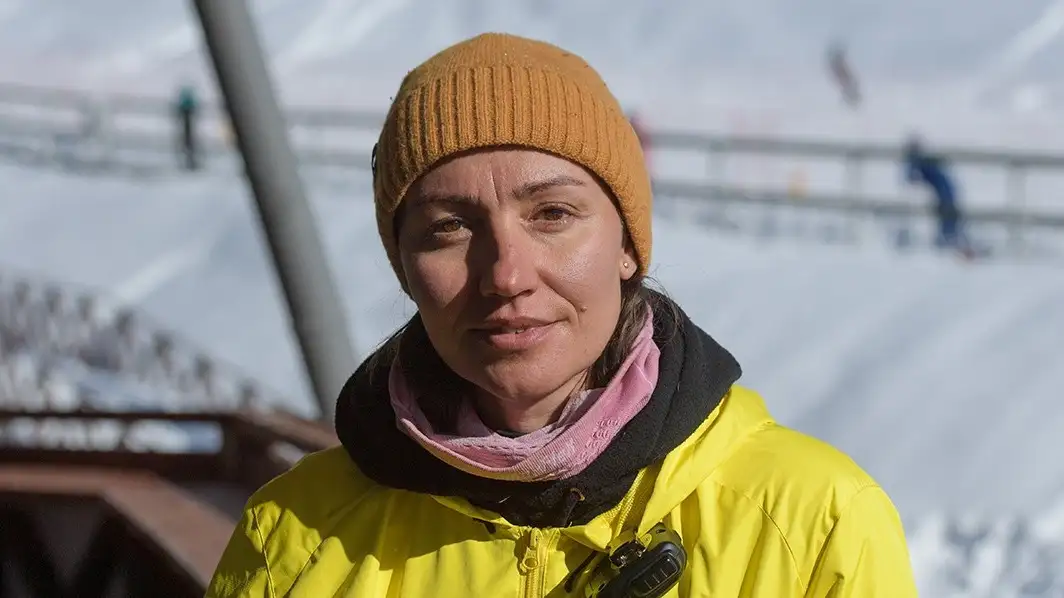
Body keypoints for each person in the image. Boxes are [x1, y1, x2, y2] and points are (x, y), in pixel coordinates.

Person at [207, 33, 917, 597]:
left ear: (627, 246)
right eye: (448, 227)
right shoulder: (294, 537)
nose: (506, 276)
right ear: (405, 266)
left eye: (551, 214)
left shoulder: (813, 525)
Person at [903, 136, 973, 256]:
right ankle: (955, 242)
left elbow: (912, 177)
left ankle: (952, 243)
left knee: (949, 220)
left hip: (944, 194)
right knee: (950, 219)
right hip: (945, 193)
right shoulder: (926, 161)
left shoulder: (921, 162)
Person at [174, 83, 200, 171]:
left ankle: (189, 162)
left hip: (187, 131)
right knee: (188, 143)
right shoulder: (188, 110)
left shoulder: (185, 108)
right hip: (188, 131)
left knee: (187, 143)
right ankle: (190, 162)